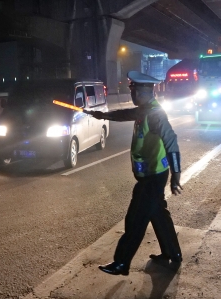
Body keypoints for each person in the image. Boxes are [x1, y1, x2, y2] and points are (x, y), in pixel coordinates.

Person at [85, 71, 183, 276]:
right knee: (158, 216)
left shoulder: (155, 114)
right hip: (151, 175)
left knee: (135, 219)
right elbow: (125, 114)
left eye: (133, 90)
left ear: (143, 92)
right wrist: (103, 115)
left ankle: (121, 263)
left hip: (153, 178)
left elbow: (171, 142)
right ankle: (172, 254)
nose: (131, 94)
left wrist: (176, 175)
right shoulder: (145, 110)